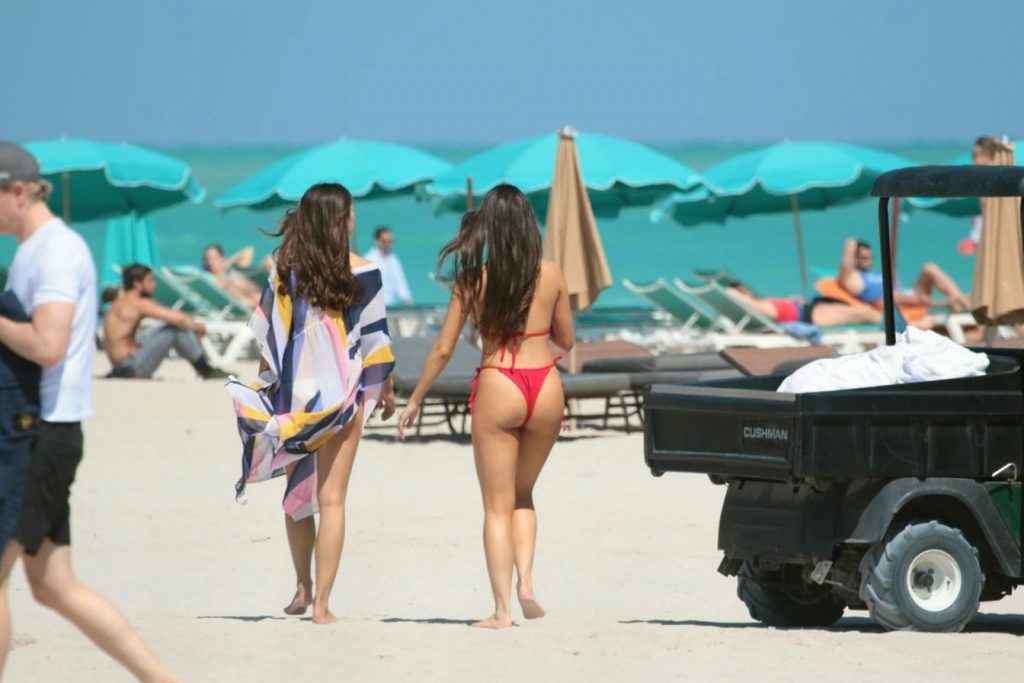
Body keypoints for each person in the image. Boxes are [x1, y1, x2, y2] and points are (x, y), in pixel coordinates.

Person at [0, 142, 179, 681]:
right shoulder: (31, 251)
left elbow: (47, 344)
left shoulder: (56, 251)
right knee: (55, 586)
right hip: (41, 432)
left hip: (38, 434)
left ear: (18, 191)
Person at [398, 186, 575, 629]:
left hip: (500, 381)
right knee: (523, 493)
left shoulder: (472, 280)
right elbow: (568, 340)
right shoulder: (551, 273)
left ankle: (502, 611)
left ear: (489, 227)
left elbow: (442, 349)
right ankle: (527, 583)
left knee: (496, 506)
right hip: (545, 384)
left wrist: (416, 397)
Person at [226, 183, 396, 625]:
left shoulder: (286, 271)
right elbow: (375, 341)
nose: (354, 219)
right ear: (341, 219)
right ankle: (322, 605)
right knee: (333, 499)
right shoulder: (365, 272)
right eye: (351, 212)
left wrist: (266, 386)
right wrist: (387, 389)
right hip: (342, 396)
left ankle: (302, 585)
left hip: (295, 396)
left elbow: (269, 335)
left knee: (297, 494)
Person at [103, 263, 228, 380]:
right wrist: (198, 327)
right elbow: (180, 319)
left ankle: (204, 368)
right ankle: (205, 370)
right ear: (137, 283)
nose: (154, 285)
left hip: (120, 367)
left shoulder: (121, 301)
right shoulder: (138, 303)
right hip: (131, 368)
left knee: (169, 326)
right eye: (150, 280)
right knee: (175, 328)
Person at [837, 238, 971, 312]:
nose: (869, 261)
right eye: (864, 258)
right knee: (929, 270)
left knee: (929, 268)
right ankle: (964, 304)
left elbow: (897, 290)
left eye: (871, 257)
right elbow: (849, 245)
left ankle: (959, 300)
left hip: (910, 295)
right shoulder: (852, 278)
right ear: (854, 258)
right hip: (903, 302)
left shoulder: (875, 274)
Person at [724, 281, 881, 327]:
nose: (747, 290)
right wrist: (734, 293)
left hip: (808, 309)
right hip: (810, 315)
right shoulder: (758, 306)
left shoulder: (760, 303)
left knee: (862, 311)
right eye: (743, 289)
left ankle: (885, 319)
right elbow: (736, 296)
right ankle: (887, 322)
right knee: (863, 313)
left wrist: (789, 300)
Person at [958, 136, 1003, 256]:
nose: (974, 160)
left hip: (991, 243)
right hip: (984, 243)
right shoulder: (982, 183)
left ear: (989, 156)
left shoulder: (997, 182)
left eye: (976, 155)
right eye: (973, 156)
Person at [201, 243, 265, 308]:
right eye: (207, 259)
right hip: (246, 304)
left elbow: (249, 250)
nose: (210, 262)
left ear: (222, 258)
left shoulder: (231, 269)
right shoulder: (210, 278)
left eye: (214, 258)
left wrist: (227, 263)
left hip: (257, 294)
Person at [363, 226, 413, 306]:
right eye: (384, 241)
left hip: (390, 307)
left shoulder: (394, 260)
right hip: (373, 307)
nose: (387, 244)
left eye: (390, 241)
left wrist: (408, 301)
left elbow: (400, 283)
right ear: (376, 241)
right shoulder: (368, 260)